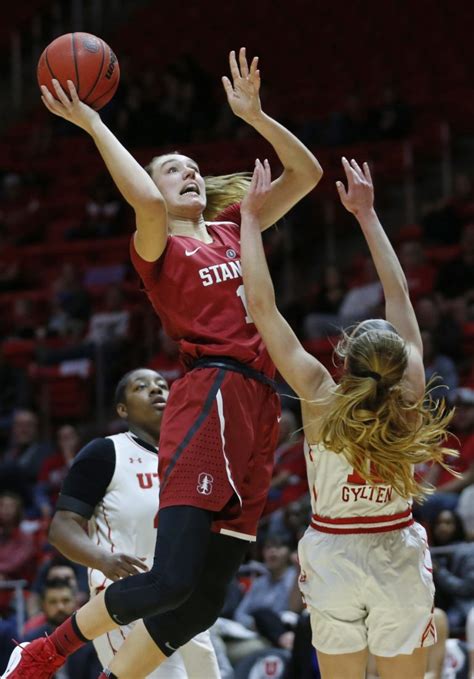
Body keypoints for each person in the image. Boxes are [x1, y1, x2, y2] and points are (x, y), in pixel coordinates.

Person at [3, 47, 322, 679]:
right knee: (170, 579)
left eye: (195, 167)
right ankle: (42, 653)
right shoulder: (158, 243)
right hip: (211, 396)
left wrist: (255, 116)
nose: (190, 174)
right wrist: (94, 122)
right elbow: (147, 204)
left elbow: (306, 173)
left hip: (261, 405)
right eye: (173, 170)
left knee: (200, 603)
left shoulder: (238, 228)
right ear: (155, 186)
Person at [238, 156, 455, 678]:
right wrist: (367, 215)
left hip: (333, 548)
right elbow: (400, 293)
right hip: (395, 544)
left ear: (345, 359)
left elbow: (263, 310)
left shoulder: (318, 394)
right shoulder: (410, 394)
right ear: (399, 364)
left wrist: (248, 220)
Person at [47, 367, 219, 678]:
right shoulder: (106, 452)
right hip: (127, 599)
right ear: (122, 409)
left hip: (184, 601)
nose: (156, 390)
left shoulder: (189, 458)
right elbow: (62, 527)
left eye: (161, 385)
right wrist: (102, 560)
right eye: (142, 387)